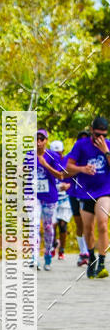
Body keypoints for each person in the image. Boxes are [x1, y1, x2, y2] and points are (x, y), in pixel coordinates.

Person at [66, 116, 110, 279]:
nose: (100, 138)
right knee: (88, 228)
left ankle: (102, 263)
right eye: (98, 134)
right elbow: (68, 168)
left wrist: (105, 150)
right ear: (91, 130)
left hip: (105, 190)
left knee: (103, 223)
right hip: (86, 192)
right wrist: (82, 169)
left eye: (104, 135)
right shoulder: (81, 145)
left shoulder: (108, 145)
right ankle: (91, 258)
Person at [34, 129, 65, 270]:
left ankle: (47, 254)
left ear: (46, 141)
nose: (39, 142)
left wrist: (45, 165)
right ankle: (34, 257)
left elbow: (61, 176)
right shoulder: (29, 155)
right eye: (37, 139)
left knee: (47, 227)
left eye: (42, 139)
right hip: (33, 196)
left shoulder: (52, 156)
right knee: (33, 226)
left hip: (49, 197)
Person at [65, 130, 90, 266]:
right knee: (79, 223)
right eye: (81, 140)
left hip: (89, 194)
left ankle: (88, 252)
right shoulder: (71, 157)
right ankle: (83, 252)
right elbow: (65, 172)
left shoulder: (93, 155)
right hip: (74, 193)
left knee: (88, 223)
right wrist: (80, 168)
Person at [48, 140, 71, 260]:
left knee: (63, 224)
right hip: (52, 198)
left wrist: (68, 186)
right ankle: (53, 246)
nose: (57, 155)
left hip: (65, 199)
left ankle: (61, 249)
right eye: (54, 153)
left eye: (59, 153)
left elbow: (74, 179)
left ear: (63, 152)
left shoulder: (67, 162)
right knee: (52, 225)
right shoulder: (47, 163)